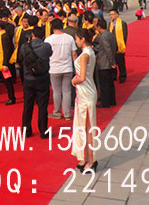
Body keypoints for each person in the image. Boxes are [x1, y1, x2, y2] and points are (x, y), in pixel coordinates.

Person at [71, 28, 98, 173]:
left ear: (82, 39)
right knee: (83, 127)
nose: (76, 41)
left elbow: (81, 77)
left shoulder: (85, 55)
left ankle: (91, 160)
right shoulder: (89, 52)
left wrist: (73, 81)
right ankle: (85, 157)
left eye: (77, 39)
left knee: (87, 128)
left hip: (86, 93)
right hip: (85, 92)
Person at [19, 26, 52, 138]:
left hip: (28, 79)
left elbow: (20, 58)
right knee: (42, 106)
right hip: (42, 79)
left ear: (32, 35)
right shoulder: (46, 46)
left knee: (27, 106)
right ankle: (43, 131)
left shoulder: (24, 47)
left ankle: (26, 130)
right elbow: (50, 54)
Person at [45, 22, 77, 119]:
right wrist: (76, 67)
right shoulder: (69, 38)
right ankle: (67, 114)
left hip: (54, 68)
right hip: (67, 67)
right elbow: (74, 54)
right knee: (67, 91)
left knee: (56, 91)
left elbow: (46, 55)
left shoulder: (48, 39)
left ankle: (57, 112)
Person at [94, 19, 117, 108]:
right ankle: (112, 100)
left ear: (99, 27)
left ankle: (105, 102)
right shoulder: (110, 34)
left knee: (104, 84)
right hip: (108, 62)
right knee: (110, 83)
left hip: (104, 63)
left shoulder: (103, 36)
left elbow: (108, 49)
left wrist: (112, 61)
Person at [108, 9, 128, 83]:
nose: (111, 16)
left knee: (120, 62)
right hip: (112, 46)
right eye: (110, 14)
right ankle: (114, 75)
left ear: (117, 15)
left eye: (112, 14)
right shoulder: (110, 24)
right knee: (113, 61)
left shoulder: (122, 23)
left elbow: (125, 35)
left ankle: (122, 75)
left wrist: (122, 44)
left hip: (119, 45)